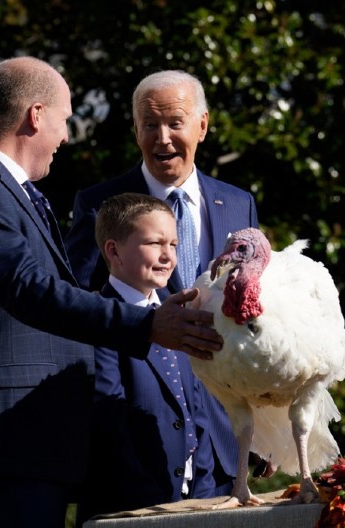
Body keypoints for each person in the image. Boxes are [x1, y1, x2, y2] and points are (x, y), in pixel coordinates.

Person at [0, 57, 224, 528]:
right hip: (6, 443)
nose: (65, 137)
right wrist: (146, 322)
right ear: (35, 116)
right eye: (64, 120)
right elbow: (28, 289)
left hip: (28, 443)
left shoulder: (5, 191)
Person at [64, 69, 262, 498]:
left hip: (228, 446)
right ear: (135, 129)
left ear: (202, 126)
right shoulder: (99, 204)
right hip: (139, 447)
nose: (163, 137)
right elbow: (76, 308)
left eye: (175, 122)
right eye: (150, 124)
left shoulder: (239, 203)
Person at [75, 193, 230, 526]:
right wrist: (153, 508)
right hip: (128, 510)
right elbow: (108, 424)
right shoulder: (97, 323)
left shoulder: (177, 317)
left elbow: (197, 413)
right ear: (113, 251)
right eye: (154, 243)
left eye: (173, 244)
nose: (167, 256)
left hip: (193, 508)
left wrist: (201, 497)